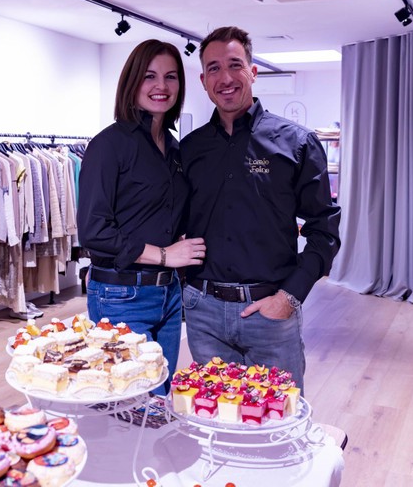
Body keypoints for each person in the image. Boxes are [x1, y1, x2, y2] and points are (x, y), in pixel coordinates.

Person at [180, 26, 341, 389]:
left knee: (279, 427)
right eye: (214, 69)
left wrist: (289, 297)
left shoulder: (296, 143)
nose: (226, 78)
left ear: (253, 72)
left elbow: (324, 228)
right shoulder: (189, 150)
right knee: (216, 420)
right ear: (204, 80)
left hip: (270, 314)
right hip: (204, 315)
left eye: (235, 65)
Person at [77, 39, 205, 392]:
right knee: (129, 400)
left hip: (169, 294)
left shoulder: (176, 149)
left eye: (171, 77)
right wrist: (165, 255)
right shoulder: (109, 145)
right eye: (149, 76)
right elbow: (93, 230)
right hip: (121, 294)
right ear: (132, 81)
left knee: (159, 395)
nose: (161, 87)